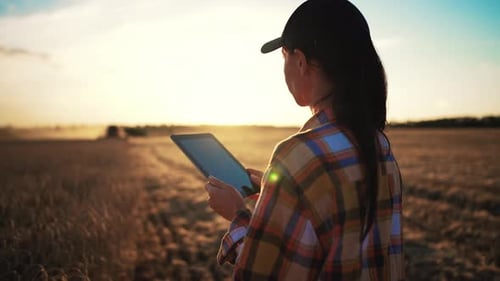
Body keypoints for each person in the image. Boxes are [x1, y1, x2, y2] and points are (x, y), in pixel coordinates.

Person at [204, 0, 404, 280]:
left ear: (300, 61)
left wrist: (238, 214)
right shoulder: (380, 146)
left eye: (284, 57)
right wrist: (281, 197)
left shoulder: (300, 156)